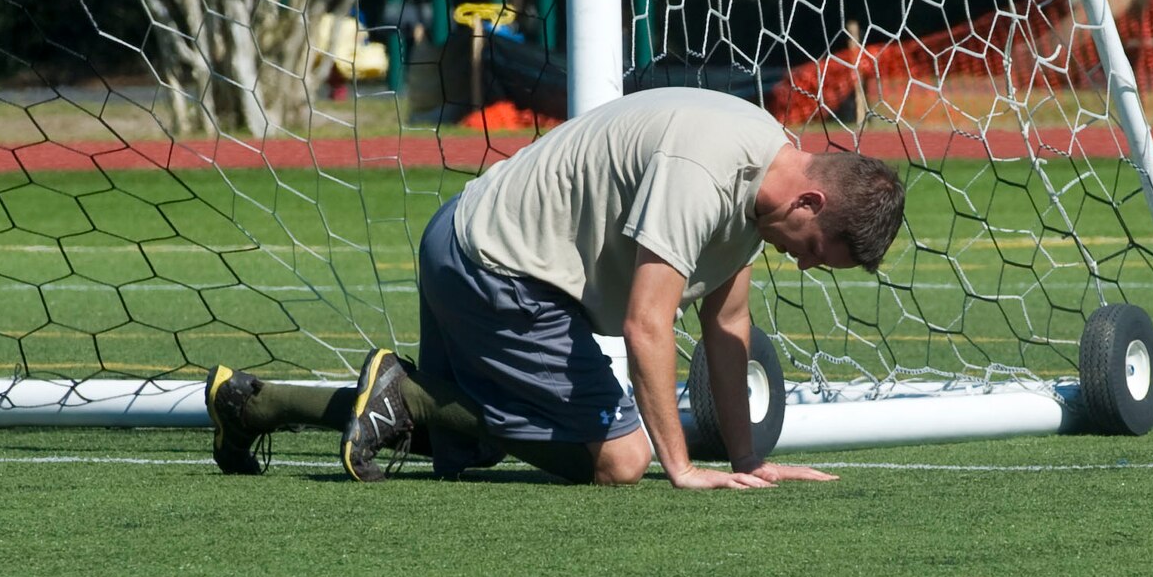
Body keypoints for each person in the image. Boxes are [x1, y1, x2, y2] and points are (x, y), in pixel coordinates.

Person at [204, 86, 906, 489]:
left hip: (468, 242)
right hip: (498, 268)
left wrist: (750, 461)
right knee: (622, 460)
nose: (809, 266)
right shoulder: (708, 166)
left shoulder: (762, 164)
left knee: (469, 441)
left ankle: (253, 405)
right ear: (810, 204)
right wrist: (684, 468)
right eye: (818, 252)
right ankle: (404, 390)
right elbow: (647, 326)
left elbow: (727, 324)